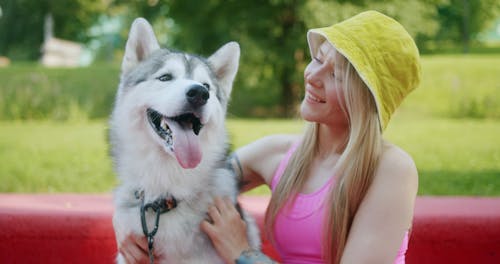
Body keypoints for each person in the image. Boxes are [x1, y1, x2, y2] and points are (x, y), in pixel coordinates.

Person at [119, 10, 421, 264]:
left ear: (367, 99)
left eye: (336, 75)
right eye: (318, 59)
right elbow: (168, 192)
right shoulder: (275, 153)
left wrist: (244, 255)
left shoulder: (391, 169)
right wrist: (125, 231)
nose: (312, 77)